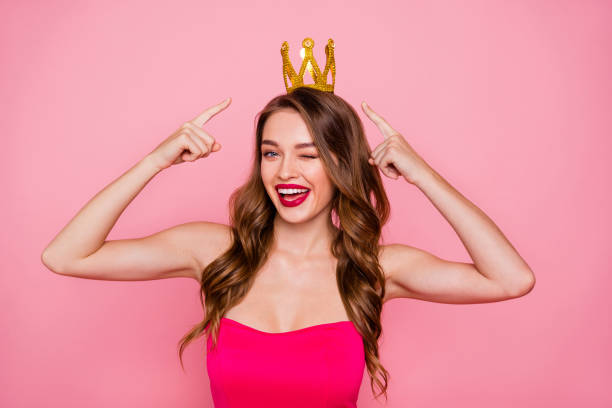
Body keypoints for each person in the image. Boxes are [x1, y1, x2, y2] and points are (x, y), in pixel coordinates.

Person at [41, 38, 535, 407]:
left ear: (342, 163)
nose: (286, 172)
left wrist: (424, 175)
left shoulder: (374, 269)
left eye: (309, 154)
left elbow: (511, 279)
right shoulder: (215, 252)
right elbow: (65, 255)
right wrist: (156, 160)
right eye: (270, 153)